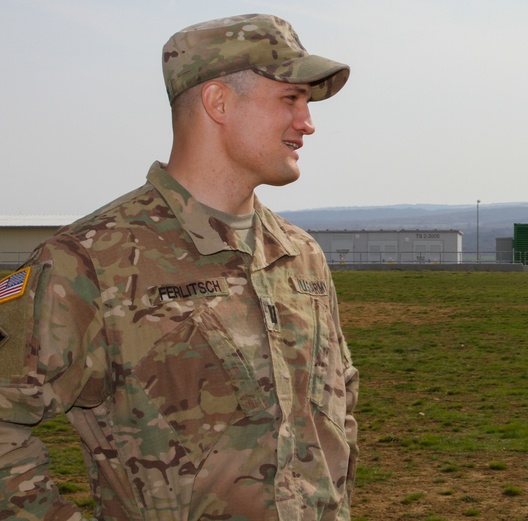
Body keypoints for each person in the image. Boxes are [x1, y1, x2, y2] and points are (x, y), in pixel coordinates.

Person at [0, 13, 358, 520]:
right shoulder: (88, 261)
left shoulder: (300, 254)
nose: (307, 122)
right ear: (218, 102)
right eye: (290, 99)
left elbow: (340, 401)